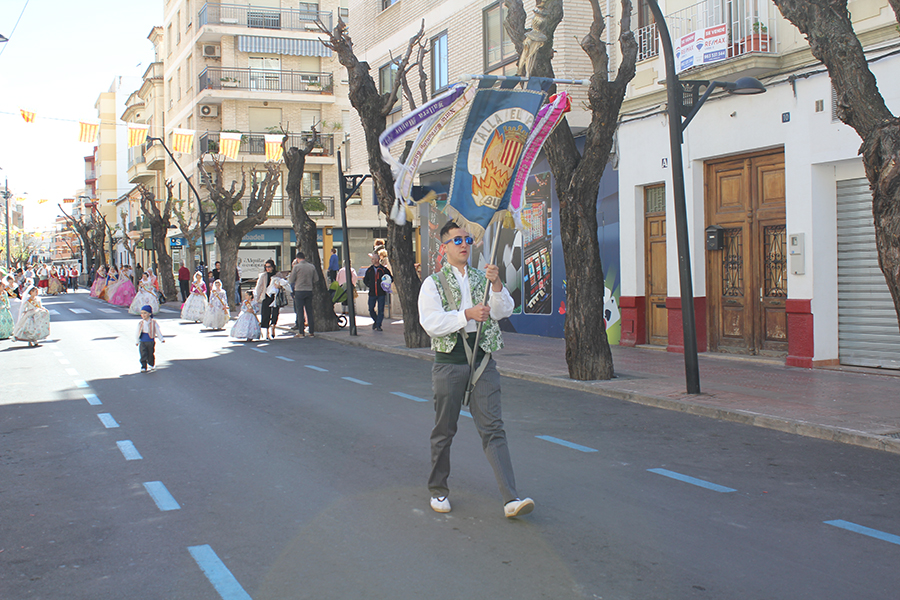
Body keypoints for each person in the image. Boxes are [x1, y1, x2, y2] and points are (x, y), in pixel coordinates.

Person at [417, 221, 534, 518]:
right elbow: (431, 323)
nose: (464, 244)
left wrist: (497, 285)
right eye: (457, 240)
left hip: (483, 363)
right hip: (450, 362)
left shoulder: (483, 278)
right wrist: (466, 315)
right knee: (444, 430)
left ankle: (511, 498)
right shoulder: (433, 283)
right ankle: (438, 490)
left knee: (493, 428)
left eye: (467, 240)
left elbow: (502, 311)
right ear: (444, 247)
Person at [288, 252, 318, 337]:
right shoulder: (311, 266)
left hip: (299, 290)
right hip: (309, 290)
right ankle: (311, 332)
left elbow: (291, 280)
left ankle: (301, 332)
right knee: (309, 311)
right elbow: (316, 279)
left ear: (297, 259)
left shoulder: (296, 267)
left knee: (300, 311)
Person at [363, 249, 391, 331]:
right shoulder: (369, 270)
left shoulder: (383, 270)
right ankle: (376, 321)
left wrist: (385, 284)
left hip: (381, 293)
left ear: (377, 260)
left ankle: (378, 325)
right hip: (372, 293)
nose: (372, 260)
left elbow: (390, 278)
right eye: (372, 259)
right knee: (371, 309)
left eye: (373, 259)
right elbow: (365, 279)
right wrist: (369, 285)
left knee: (381, 310)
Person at [254, 259, 280, 339]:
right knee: (265, 314)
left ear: (273, 267)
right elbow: (259, 287)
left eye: (269, 267)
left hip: (275, 296)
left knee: (275, 313)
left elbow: (283, 284)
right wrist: (256, 298)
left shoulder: (278, 274)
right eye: (266, 267)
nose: (267, 268)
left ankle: (273, 326)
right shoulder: (263, 275)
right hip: (266, 296)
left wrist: (279, 286)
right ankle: (267, 332)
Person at [135, 305, 164, 372]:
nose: (143, 315)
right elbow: (137, 332)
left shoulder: (153, 322)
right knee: (143, 354)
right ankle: (143, 366)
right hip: (143, 340)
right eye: (142, 313)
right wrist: (137, 341)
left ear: (149, 313)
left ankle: (151, 364)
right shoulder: (141, 323)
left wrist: (161, 338)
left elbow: (157, 330)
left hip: (150, 340)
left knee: (150, 353)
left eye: (145, 313)